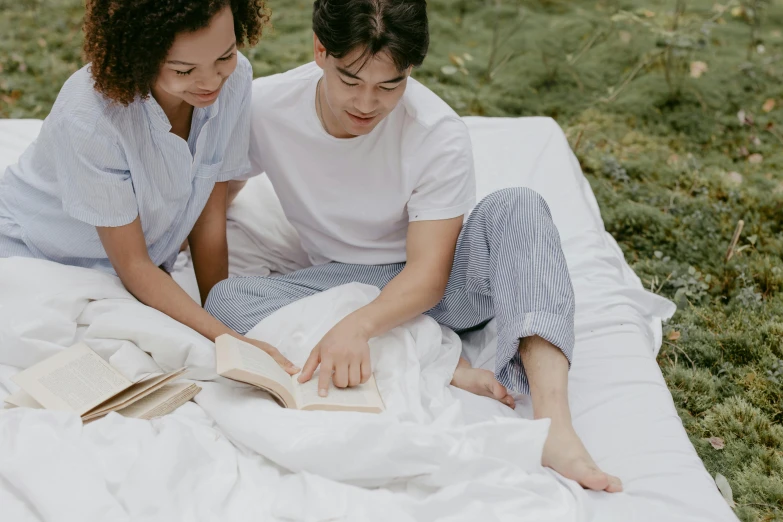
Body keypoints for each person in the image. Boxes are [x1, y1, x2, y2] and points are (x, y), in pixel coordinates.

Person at [206, 0, 622, 493]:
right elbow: (215, 198)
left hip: (439, 285)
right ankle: (440, 359)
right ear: (320, 50)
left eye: (390, 85)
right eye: (350, 80)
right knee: (227, 303)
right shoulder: (266, 106)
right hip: (343, 280)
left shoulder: (436, 132)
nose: (367, 103)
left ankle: (556, 426)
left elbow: (428, 274)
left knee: (520, 206)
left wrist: (357, 326)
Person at [0, 0, 299, 373]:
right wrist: (223, 339)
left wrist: (223, 319)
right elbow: (134, 265)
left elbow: (208, 219)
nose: (210, 82)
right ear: (139, 57)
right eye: (184, 69)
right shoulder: (88, 119)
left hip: (135, 269)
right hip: (38, 257)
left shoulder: (234, 82)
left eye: (225, 56)